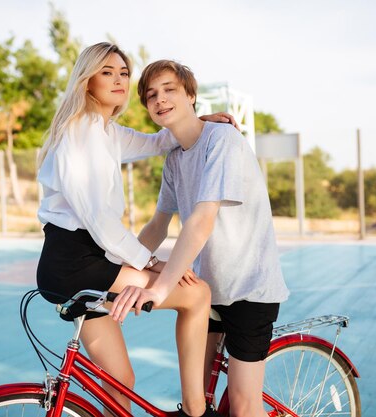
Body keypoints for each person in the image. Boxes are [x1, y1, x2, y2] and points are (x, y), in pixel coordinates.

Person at [36, 43, 232, 417]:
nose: (119, 79)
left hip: (77, 261)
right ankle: (196, 409)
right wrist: (152, 262)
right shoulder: (81, 133)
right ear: (87, 80)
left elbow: (159, 140)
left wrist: (198, 119)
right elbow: (99, 221)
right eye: (107, 72)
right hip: (76, 262)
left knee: (119, 383)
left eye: (124, 73)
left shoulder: (106, 131)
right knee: (196, 295)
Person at [110, 60, 289, 417]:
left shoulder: (222, 140)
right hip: (207, 290)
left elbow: (201, 222)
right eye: (151, 95)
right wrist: (115, 267)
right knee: (196, 406)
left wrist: (159, 289)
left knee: (241, 406)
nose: (160, 99)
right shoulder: (175, 157)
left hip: (248, 289)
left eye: (169, 89)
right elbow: (158, 226)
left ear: (191, 95)